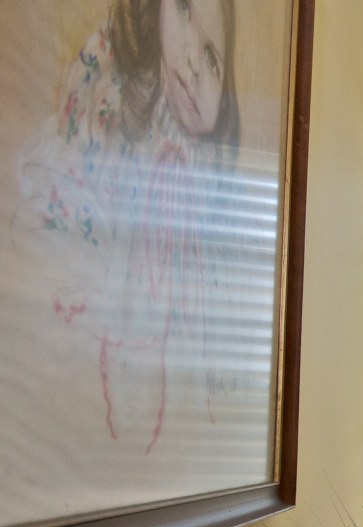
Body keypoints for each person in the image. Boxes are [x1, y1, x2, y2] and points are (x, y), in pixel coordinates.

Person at [15, 0, 241, 453]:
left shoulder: (204, 170)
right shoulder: (113, 82)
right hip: (108, 276)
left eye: (213, 57)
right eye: (183, 10)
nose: (194, 61)